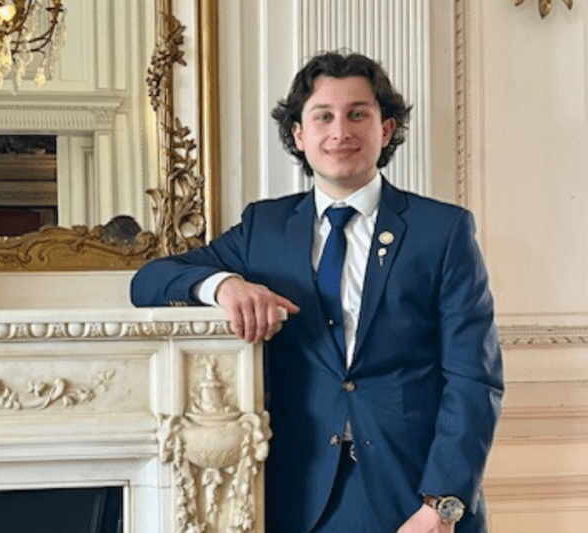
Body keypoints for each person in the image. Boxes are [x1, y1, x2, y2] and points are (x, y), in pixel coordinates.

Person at [130, 51, 503, 533]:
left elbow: (474, 379)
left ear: (385, 130)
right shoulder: (264, 228)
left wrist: (443, 504)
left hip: (415, 494)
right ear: (300, 135)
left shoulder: (443, 230)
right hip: (298, 493)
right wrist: (224, 285)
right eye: (323, 116)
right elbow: (148, 281)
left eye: (358, 114)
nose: (340, 131)